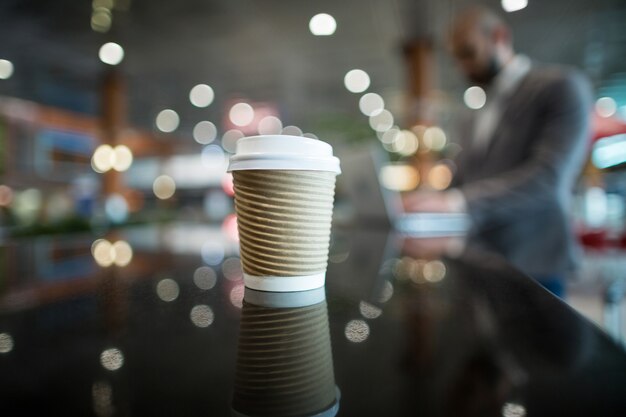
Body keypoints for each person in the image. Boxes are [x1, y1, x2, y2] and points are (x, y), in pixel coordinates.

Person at [404, 6, 592, 294]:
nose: (462, 67)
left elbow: (548, 178)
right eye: (457, 58)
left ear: (500, 37)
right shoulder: (472, 114)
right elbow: (464, 180)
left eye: (468, 52)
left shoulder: (561, 88)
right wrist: (429, 200)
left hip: (533, 263)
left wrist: (455, 202)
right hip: (478, 259)